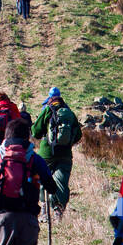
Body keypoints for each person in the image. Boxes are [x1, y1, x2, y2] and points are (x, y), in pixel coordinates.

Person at [31, 87, 81, 217]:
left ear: (50, 98)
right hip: (65, 155)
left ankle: (44, 208)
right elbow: (79, 134)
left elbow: (36, 132)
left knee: (42, 178)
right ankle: (58, 211)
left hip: (47, 153)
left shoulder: (47, 110)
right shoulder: (69, 112)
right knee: (62, 182)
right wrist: (68, 142)